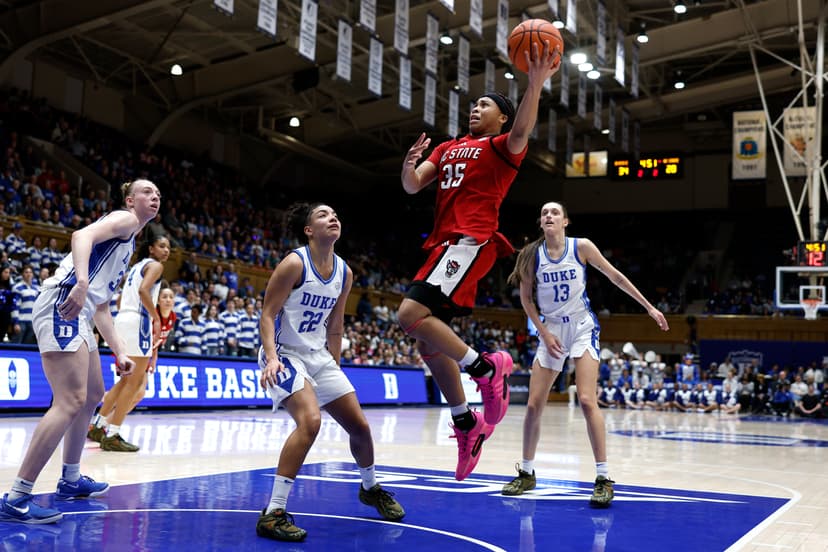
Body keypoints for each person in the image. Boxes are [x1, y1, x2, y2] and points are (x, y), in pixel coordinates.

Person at [397, 38, 561, 481]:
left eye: (484, 105)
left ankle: (485, 367)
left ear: (501, 118)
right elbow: (414, 186)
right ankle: (466, 422)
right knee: (427, 344)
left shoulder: (501, 149)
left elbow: (525, 128)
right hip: (442, 245)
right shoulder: (448, 147)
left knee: (408, 313)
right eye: (472, 104)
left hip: (471, 242)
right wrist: (409, 166)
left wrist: (535, 83)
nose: (474, 108)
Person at [0, 179, 160, 524]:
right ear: (130, 200)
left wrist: (119, 350)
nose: (155, 197)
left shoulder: (128, 242)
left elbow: (101, 306)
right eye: (147, 192)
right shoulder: (125, 219)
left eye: (158, 194)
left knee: (92, 395)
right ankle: (17, 496)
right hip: (64, 301)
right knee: (69, 400)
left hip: (83, 311)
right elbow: (80, 237)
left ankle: (70, 478)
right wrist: (82, 281)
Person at [500, 201, 669, 507]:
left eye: (554, 212)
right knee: (534, 404)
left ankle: (603, 478)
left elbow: (616, 277)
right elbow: (526, 300)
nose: (548, 216)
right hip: (550, 329)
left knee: (588, 400)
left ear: (566, 221)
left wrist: (649, 307)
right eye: (544, 213)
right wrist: (543, 332)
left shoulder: (582, 247)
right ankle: (526, 473)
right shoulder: (530, 256)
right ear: (540, 223)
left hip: (581, 327)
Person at [256, 202, 405, 542]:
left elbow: (335, 324)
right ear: (309, 230)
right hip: (284, 353)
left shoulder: (344, 272)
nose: (333, 217)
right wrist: (270, 357)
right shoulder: (294, 263)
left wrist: (333, 366)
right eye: (323, 215)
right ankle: (273, 512)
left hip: (318, 355)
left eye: (335, 213)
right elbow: (267, 314)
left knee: (360, 427)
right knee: (310, 422)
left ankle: (370, 487)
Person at [87, 233, 171, 452]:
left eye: (168, 247)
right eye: (162, 246)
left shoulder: (136, 266)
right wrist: (156, 317)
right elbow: (144, 291)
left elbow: (121, 299)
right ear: (151, 248)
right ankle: (113, 434)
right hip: (138, 322)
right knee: (134, 383)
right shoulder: (155, 266)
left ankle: (99, 425)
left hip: (123, 319)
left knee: (125, 381)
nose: (166, 250)